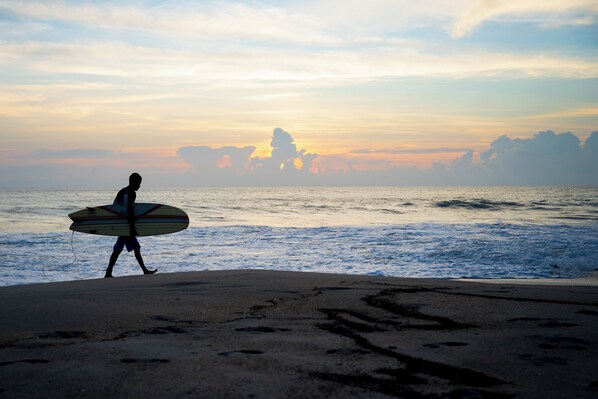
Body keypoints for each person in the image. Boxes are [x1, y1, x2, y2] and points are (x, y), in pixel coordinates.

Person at [105, 173, 157, 278]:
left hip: (121, 223)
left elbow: (116, 207)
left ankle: (109, 272)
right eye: (138, 183)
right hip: (125, 225)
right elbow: (129, 211)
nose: (139, 186)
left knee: (126, 248)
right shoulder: (130, 193)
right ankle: (109, 272)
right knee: (121, 249)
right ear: (132, 182)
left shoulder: (123, 191)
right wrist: (132, 228)